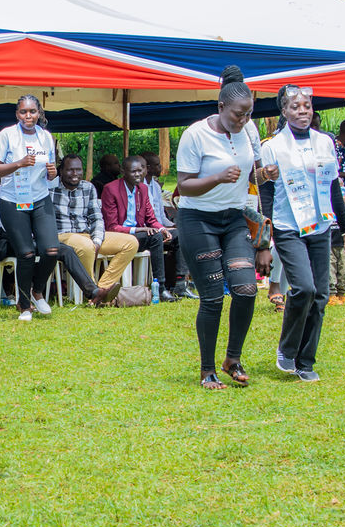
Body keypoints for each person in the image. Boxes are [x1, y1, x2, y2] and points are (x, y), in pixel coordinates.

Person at [175, 66, 270, 389]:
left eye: (248, 114)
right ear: (220, 107)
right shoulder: (195, 135)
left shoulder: (249, 131)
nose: (243, 120)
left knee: (246, 289)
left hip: (234, 218)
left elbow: (251, 176)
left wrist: (265, 175)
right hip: (198, 219)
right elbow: (184, 186)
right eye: (238, 115)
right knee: (213, 297)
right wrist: (217, 177)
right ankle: (207, 370)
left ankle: (233, 359)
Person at [259, 85, 345, 382]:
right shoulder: (272, 146)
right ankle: (287, 349)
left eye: (307, 106)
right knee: (304, 288)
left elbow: (334, 188)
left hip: (320, 226)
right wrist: (265, 238)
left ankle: (305, 361)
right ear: (284, 111)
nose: (302, 111)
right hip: (288, 226)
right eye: (295, 107)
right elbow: (265, 193)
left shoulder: (324, 143)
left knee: (321, 295)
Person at [0, 95, 60, 321]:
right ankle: (25, 306)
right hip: (13, 200)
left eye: (32, 111)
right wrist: (18, 163)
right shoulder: (7, 135)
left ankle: (37, 291)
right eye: (23, 112)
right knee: (26, 253)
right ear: (17, 114)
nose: (28, 116)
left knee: (51, 250)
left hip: (40, 198)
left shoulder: (46, 137)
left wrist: (53, 173)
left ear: (39, 113)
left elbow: (50, 171)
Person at [51, 154, 135, 295]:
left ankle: (103, 288)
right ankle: (91, 293)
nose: (75, 174)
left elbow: (96, 218)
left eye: (78, 170)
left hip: (86, 234)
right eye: (70, 170)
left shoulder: (88, 187)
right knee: (86, 245)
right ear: (61, 171)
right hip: (62, 235)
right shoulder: (51, 188)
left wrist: (97, 240)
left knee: (130, 243)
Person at [101, 155, 178, 302]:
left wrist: (162, 229)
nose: (138, 174)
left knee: (177, 235)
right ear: (123, 172)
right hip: (120, 236)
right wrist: (139, 230)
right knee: (155, 237)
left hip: (140, 235)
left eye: (140, 171)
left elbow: (151, 219)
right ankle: (160, 288)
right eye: (133, 171)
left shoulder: (143, 188)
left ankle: (180, 283)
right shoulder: (111, 189)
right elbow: (112, 227)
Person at [140, 151, 195, 298]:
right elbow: (145, 218)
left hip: (160, 227)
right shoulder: (139, 186)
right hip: (147, 229)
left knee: (184, 233)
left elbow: (161, 217)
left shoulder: (156, 187)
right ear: (148, 167)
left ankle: (181, 283)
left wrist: (173, 226)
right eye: (157, 165)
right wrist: (162, 229)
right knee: (168, 236)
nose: (161, 167)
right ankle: (165, 286)